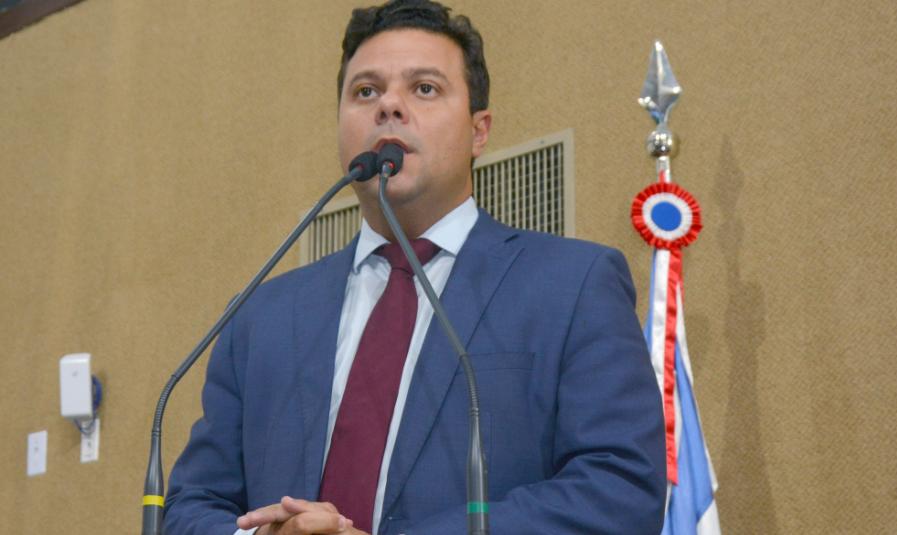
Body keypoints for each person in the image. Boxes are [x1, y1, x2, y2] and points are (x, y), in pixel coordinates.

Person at [163, 1, 666, 534]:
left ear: (479, 131)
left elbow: (619, 491)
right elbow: (191, 506)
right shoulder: (259, 316)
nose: (389, 106)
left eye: (424, 88)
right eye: (365, 91)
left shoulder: (573, 286)